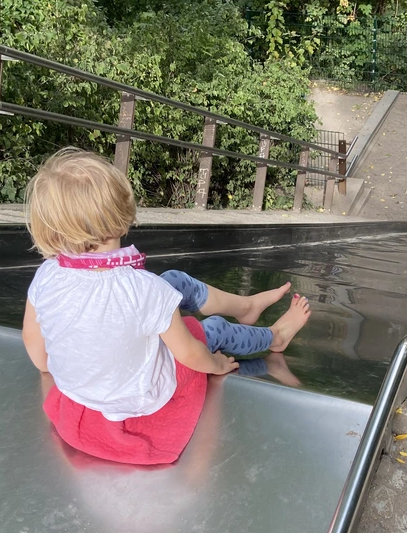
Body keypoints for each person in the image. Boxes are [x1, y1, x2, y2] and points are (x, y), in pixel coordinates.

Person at [21, 147, 311, 465]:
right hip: (138, 407)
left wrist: (66, 369)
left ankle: (245, 307)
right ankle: (275, 336)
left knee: (173, 281)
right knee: (211, 330)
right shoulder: (145, 290)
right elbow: (188, 354)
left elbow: (34, 345)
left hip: (78, 408)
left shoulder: (47, 275)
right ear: (121, 217)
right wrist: (217, 365)